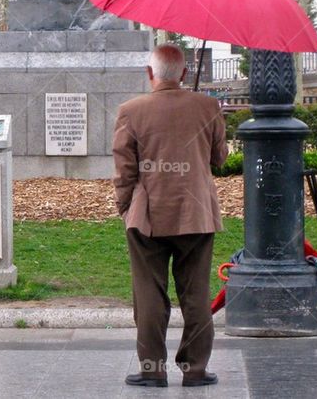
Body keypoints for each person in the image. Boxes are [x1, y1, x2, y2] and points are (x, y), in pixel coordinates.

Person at [112, 43, 228, 388]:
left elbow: (124, 169)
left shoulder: (131, 110)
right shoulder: (208, 106)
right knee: (196, 293)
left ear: (150, 74)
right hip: (196, 213)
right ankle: (195, 370)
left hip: (147, 215)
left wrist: (124, 207)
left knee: (148, 293)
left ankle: (152, 369)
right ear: (185, 74)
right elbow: (219, 159)